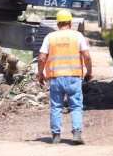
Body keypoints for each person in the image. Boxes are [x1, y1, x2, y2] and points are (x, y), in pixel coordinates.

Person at [38, 9, 92, 145]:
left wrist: (40, 73)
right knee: (76, 106)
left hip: (55, 78)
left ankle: (56, 135)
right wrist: (89, 71)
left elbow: (41, 57)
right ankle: (77, 133)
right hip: (74, 77)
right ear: (70, 22)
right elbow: (86, 56)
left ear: (58, 23)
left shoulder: (50, 37)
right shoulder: (77, 36)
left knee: (56, 107)